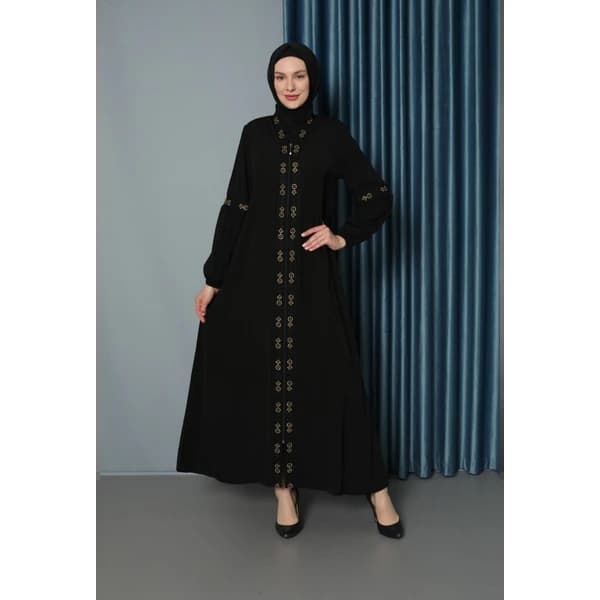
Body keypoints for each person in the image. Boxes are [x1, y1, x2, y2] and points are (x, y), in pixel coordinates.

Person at [176, 42, 403, 539]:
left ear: (311, 80)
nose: (290, 86)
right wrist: (214, 278)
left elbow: (375, 195)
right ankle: (284, 489)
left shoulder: (331, 135)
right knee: (265, 380)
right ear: (271, 82)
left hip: (310, 279)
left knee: (334, 377)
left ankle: (376, 488)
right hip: (252, 280)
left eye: (298, 75)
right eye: (280, 77)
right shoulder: (254, 134)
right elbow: (235, 207)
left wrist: (341, 236)